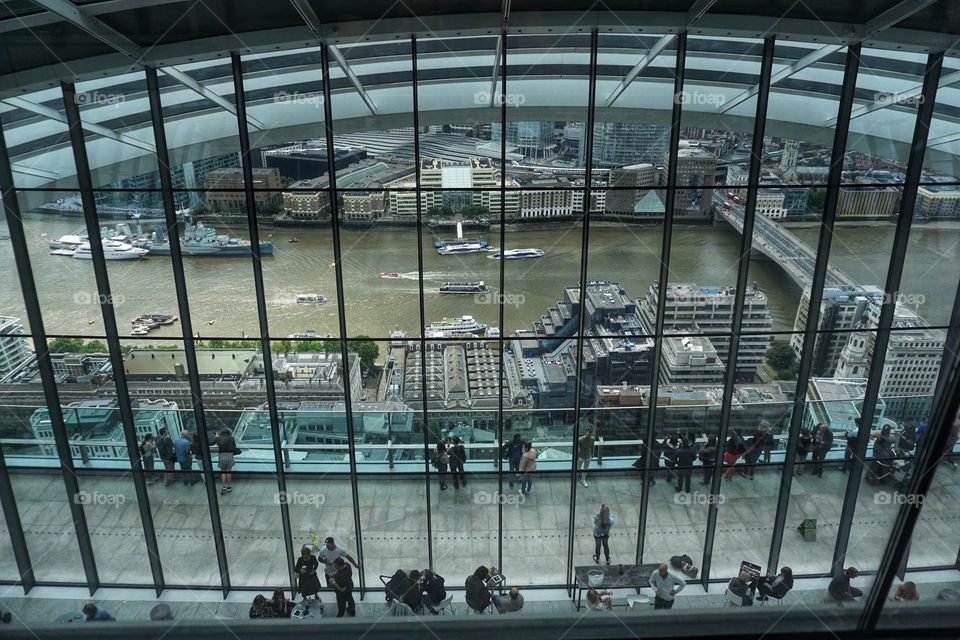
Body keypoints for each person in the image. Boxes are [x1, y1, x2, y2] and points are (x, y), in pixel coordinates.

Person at [213, 428, 238, 495]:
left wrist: (216, 436)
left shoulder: (219, 439)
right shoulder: (231, 438)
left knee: (223, 472)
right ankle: (229, 486)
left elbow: (212, 443)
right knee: (229, 471)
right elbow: (234, 447)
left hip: (221, 455)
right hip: (229, 455)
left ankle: (224, 486)